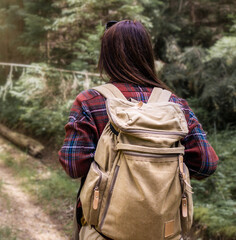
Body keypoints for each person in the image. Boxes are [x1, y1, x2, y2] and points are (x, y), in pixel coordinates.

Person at [58, 20, 218, 239]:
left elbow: (73, 165)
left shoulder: (90, 101)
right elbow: (206, 165)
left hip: (103, 233)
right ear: (147, 55)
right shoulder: (175, 105)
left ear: (106, 57)